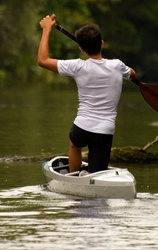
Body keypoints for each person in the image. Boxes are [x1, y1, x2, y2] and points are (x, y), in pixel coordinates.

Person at [37, 14, 136, 174]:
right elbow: (132, 74)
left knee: (74, 145)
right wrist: (120, 67)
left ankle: (74, 175)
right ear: (102, 44)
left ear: (81, 49)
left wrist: (47, 29)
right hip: (105, 131)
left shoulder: (77, 66)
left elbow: (42, 60)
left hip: (82, 128)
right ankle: (93, 174)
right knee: (98, 172)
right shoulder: (117, 65)